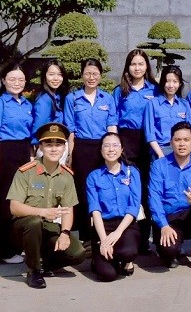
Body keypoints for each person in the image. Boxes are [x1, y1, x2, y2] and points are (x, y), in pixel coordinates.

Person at [7, 122, 85, 288]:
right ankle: (33, 271)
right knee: (34, 222)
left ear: (64, 148)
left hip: (47, 228)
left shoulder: (66, 176)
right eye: (49, 144)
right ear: (40, 147)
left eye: (58, 145)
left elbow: (68, 209)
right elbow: (14, 207)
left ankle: (46, 264)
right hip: (22, 229)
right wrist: (41, 211)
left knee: (77, 253)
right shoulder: (26, 171)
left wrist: (64, 233)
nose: (54, 149)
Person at [147, 121, 191, 272]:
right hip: (170, 218)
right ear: (171, 142)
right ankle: (172, 250)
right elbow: (154, 198)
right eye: (178, 140)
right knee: (169, 252)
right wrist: (163, 225)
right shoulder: (159, 165)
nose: (182, 144)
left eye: (186, 140)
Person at [0, 67, 34, 264]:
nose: (17, 82)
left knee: (22, 200)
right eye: (12, 78)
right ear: (4, 80)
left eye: (21, 79)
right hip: (6, 151)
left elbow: (31, 135)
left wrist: (31, 158)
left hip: (24, 152)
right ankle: (2, 251)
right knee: (5, 201)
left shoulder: (28, 105)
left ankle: (17, 245)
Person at [64, 58, 118, 242]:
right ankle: (85, 237)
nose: (91, 77)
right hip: (82, 148)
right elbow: (70, 130)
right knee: (83, 191)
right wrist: (70, 156)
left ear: (100, 76)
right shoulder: (72, 98)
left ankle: (103, 232)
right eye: (87, 73)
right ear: (81, 75)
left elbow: (112, 126)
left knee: (102, 189)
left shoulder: (108, 98)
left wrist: (114, 149)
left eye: (95, 74)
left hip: (102, 148)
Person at [113, 49, 158, 252]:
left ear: (147, 66)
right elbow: (113, 119)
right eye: (133, 64)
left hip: (150, 141)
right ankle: (131, 237)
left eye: (141, 64)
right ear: (127, 67)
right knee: (131, 190)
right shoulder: (120, 90)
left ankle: (148, 239)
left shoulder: (155, 89)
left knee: (149, 189)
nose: (137, 68)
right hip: (127, 140)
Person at [87, 132, 142, 281]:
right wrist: (104, 240)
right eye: (107, 145)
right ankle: (99, 256)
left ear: (122, 149)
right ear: (101, 150)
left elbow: (134, 206)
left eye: (115, 145)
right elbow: (95, 210)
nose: (111, 149)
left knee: (128, 252)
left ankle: (125, 260)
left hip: (126, 225)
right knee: (108, 275)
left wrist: (117, 233)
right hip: (103, 226)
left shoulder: (132, 172)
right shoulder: (93, 176)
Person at [144, 65, 191, 159]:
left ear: (180, 84)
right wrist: (160, 154)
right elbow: (150, 133)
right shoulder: (153, 104)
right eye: (167, 81)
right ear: (162, 82)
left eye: (175, 81)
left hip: (181, 151)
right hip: (160, 150)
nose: (171, 85)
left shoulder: (184, 104)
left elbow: (189, 131)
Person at [30, 59, 70, 138]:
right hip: (48, 144)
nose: (56, 78)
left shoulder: (59, 96)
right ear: (44, 76)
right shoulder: (44, 100)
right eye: (51, 74)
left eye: (60, 74)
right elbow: (38, 128)